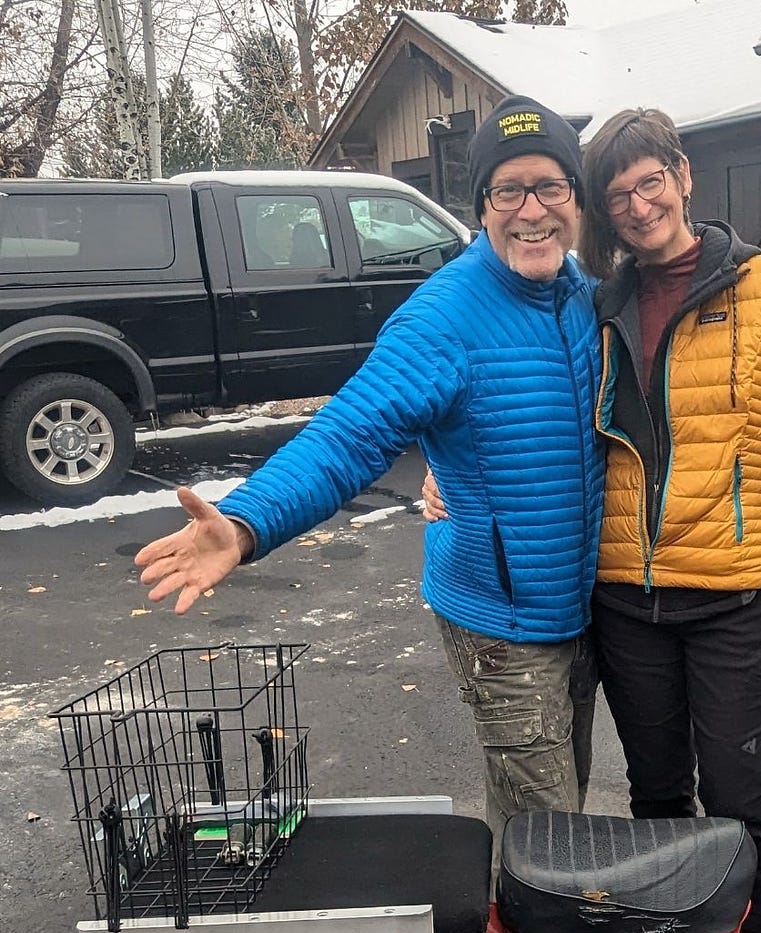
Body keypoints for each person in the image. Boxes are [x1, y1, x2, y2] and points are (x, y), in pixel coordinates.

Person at [429, 107, 761, 933]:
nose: (637, 204)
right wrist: (445, 468)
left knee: (739, 798)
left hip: (737, 598)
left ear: (683, 176)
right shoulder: (601, 299)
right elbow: (513, 390)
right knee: (657, 802)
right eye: (617, 194)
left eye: (649, 181)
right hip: (625, 601)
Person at [134, 97, 605, 852]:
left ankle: (514, 923)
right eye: (507, 190)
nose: (531, 210)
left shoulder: (585, 296)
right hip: (501, 615)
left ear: (576, 199)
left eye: (550, 186)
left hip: (583, 603)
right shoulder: (443, 319)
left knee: (549, 797)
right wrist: (249, 523)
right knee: (547, 829)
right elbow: (347, 436)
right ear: (481, 206)